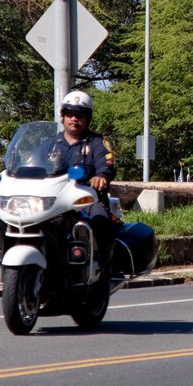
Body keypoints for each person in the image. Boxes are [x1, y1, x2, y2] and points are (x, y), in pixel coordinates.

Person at [49, 90, 118, 271]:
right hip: (54, 199)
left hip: (86, 199)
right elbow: (35, 165)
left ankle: (104, 269)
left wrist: (101, 177)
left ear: (87, 119)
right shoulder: (51, 143)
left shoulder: (97, 142)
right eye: (70, 114)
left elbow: (107, 166)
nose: (74, 119)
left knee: (100, 220)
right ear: (63, 116)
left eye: (80, 115)